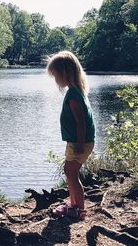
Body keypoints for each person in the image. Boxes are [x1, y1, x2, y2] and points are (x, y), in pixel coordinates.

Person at [46, 50, 95, 221]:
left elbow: (81, 122)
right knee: (70, 172)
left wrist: (80, 143)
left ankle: (79, 209)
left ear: (65, 73)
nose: (55, 79)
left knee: (72, 173)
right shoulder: (76, 91)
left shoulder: (74, 95)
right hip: (77, 141)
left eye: (55, 75)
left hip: (79, 142)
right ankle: (73, 204)